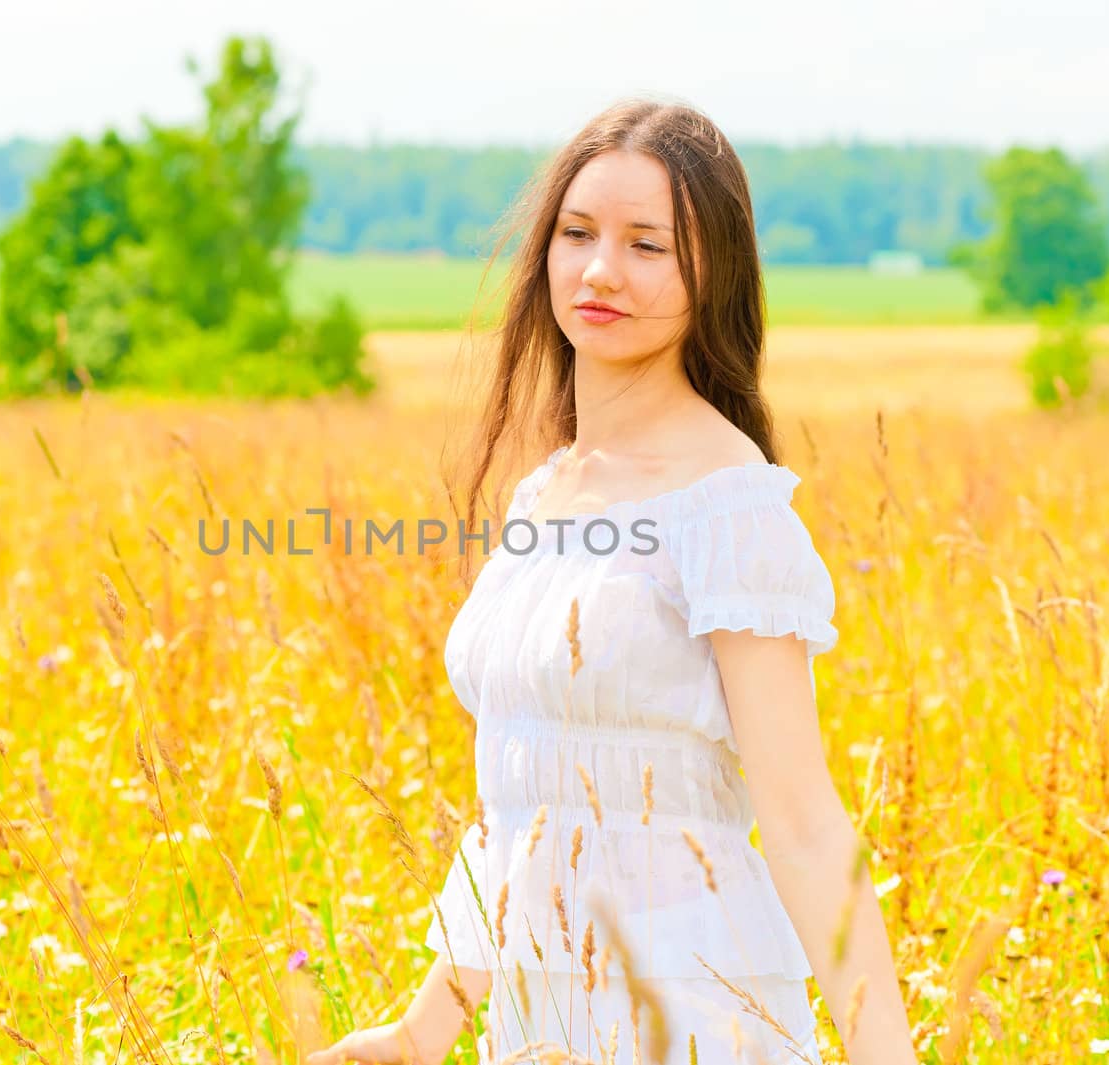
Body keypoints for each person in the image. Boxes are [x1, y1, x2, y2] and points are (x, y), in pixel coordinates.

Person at [306, 98, 918, 1065]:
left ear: (712, 272)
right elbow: (525, 807)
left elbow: (803, 822)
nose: (599, 271)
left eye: (648, 245)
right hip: (540, 1012)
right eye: (578, 233)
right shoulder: (544, 493)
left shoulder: (727, 504)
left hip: (691, 1011)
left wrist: (890, 1056)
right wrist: (424, 1030)